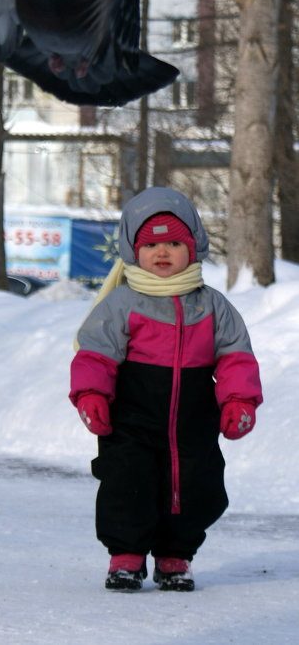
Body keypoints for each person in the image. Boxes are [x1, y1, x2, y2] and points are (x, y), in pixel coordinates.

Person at [70, 187, 262, 593]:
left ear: (192, 248)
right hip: (131, 419)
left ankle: (176, 556)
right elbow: (96, 354)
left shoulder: (211, 305)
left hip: (192, 421)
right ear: (133, 250)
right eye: (152, 243)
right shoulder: (122, 303)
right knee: (128, 482)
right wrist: (91, 394)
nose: (163, 252)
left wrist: (239, 399)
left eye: (174, 242)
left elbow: (235, 357)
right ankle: (126, 556)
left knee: (194, 486)